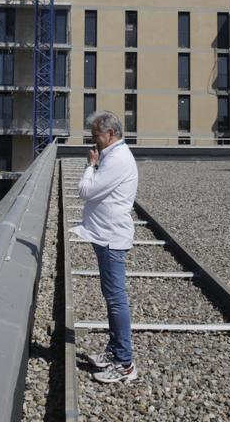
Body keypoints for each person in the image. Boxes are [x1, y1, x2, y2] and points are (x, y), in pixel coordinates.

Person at [70, 110, 139, 384]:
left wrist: (90, 166)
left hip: (111, 237)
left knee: (116, 300)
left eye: (96, 135)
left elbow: (86, 191)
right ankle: (115, 351)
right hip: (104, 235)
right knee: (112, 299)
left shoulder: (118, 159)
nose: (93, 140)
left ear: (110, 134)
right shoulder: (113, 156)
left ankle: (125, 363)